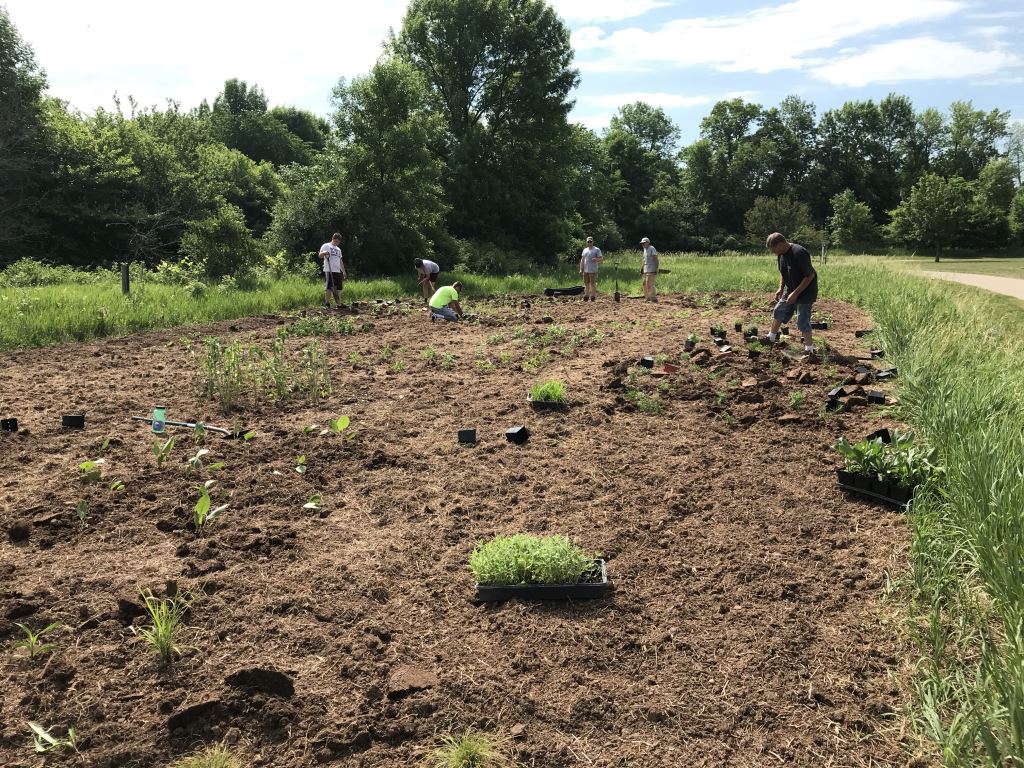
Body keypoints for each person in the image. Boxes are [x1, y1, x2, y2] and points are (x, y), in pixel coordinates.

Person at [764, 232, 818, 356]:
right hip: (790, 290)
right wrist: (781, 288)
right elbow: (784, 273)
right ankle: (771, 338)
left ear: (781, 244)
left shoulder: (799, 252)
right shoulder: (781, 255)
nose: (773, 253)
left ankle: (809, 350)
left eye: (774, 249)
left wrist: (795, 293)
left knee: (802, 320)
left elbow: (809, 275)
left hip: (805, 292)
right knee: (779, 310)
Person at [319, 232, 347, 309]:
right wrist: (324, 252)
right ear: (332, 239)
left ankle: (339, 304)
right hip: (329, 270)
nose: (336, 243)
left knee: (339, 288)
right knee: (328, 288)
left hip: (337, 271)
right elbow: (320, 255)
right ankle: (327, 304)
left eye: (338, 242)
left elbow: (340, 261)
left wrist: (343, 271)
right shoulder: (326, 245)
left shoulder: (338, 249)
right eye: (335, 241)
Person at [578, 236, 603, 302]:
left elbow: (601, 259)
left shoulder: (597, 249)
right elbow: (582, 260)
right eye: (588, 241)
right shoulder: (585, 250)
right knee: (586, 283)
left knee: (593, 283)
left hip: (593, 270)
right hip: (586, 270)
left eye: (590, 241)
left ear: (592, 242)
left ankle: (593, 296)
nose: (589, 242)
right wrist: (581, 268)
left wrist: (596, 259)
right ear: (586, 242)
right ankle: (586, 295)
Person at [640, 236, 659, 302]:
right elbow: (644, 260)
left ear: (648, 242)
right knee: (644, 283)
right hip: (645, 269)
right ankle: (647, 297)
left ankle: (653, 297)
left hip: (651, 269)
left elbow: (655, 258)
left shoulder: (652, 248)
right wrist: (641, 268)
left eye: (644, 243)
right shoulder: (645, 250)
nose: (643, 244)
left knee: (649, 283)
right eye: (642, 243)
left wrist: (656, 268)